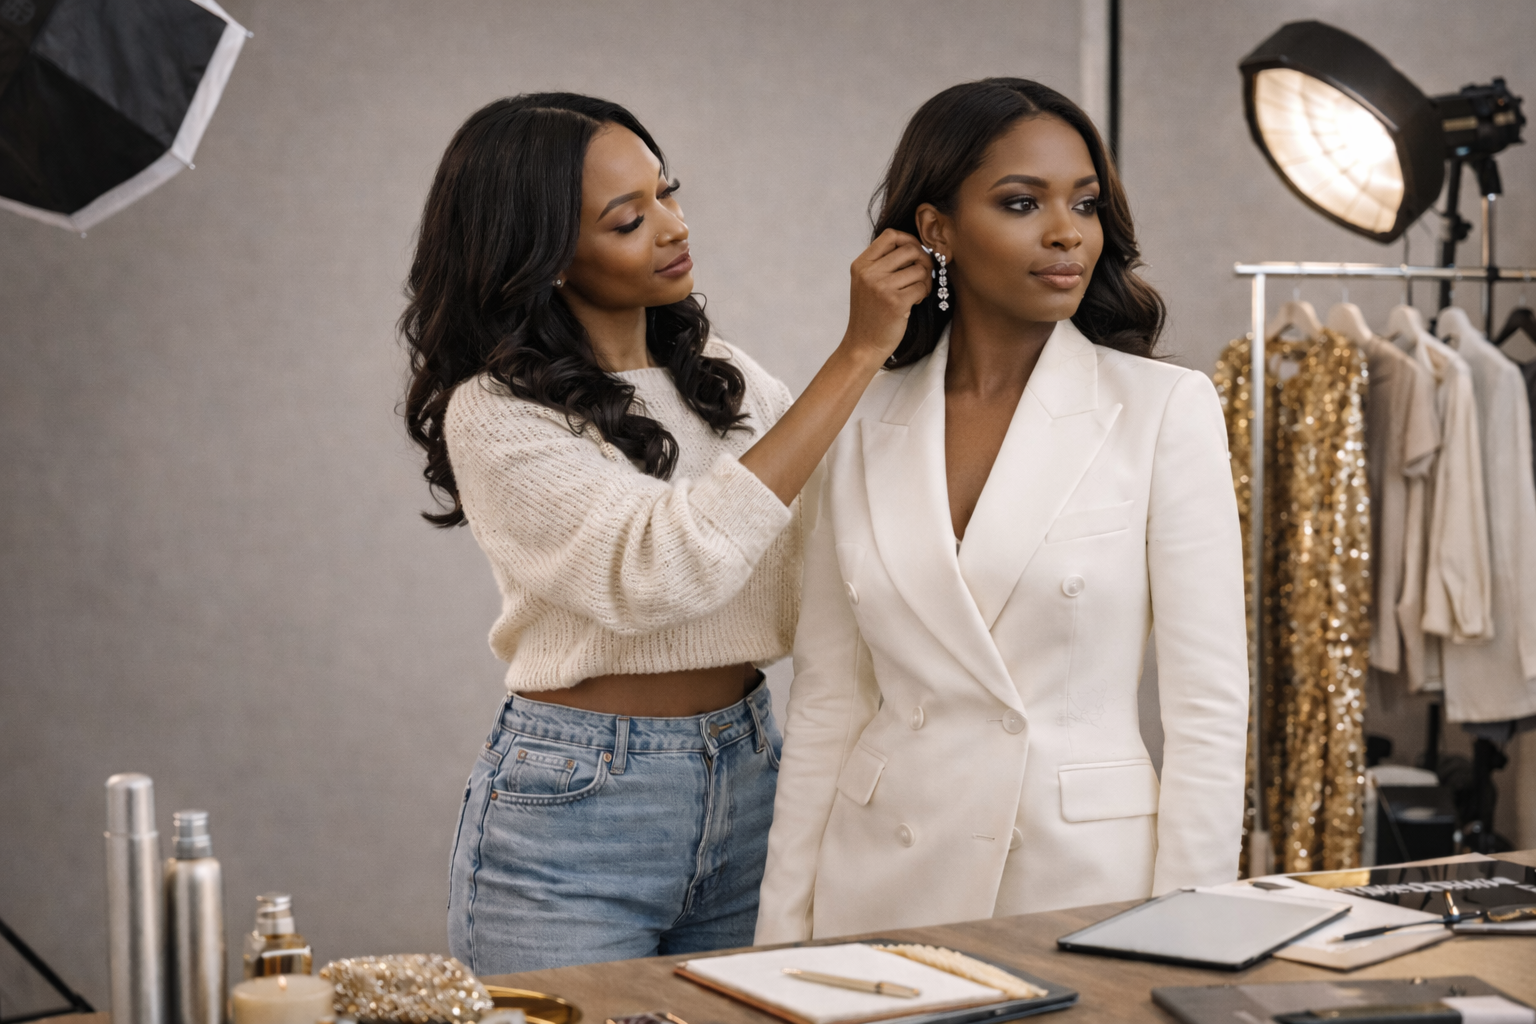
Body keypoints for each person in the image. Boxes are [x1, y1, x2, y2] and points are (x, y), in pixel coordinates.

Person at [399, 93, 929, 972]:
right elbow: (660, 568)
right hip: (578, 808)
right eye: (628, 219)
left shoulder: (718, 375)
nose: (674, 226)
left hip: (753, 772)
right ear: (545, 256)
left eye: (668, 191)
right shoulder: (494, 414)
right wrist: (858, 353)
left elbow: (838, 521)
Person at [755, 78, 1250, 943]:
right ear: (935, 229)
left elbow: (1208, 709)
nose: (1067, 232)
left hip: (1079, 884)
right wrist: (780, 939)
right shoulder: (859, 416)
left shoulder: (1163, 408)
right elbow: (828, 700)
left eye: (1085, 204)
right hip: (879, 882)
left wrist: (1192, 935)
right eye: (1022, 202)